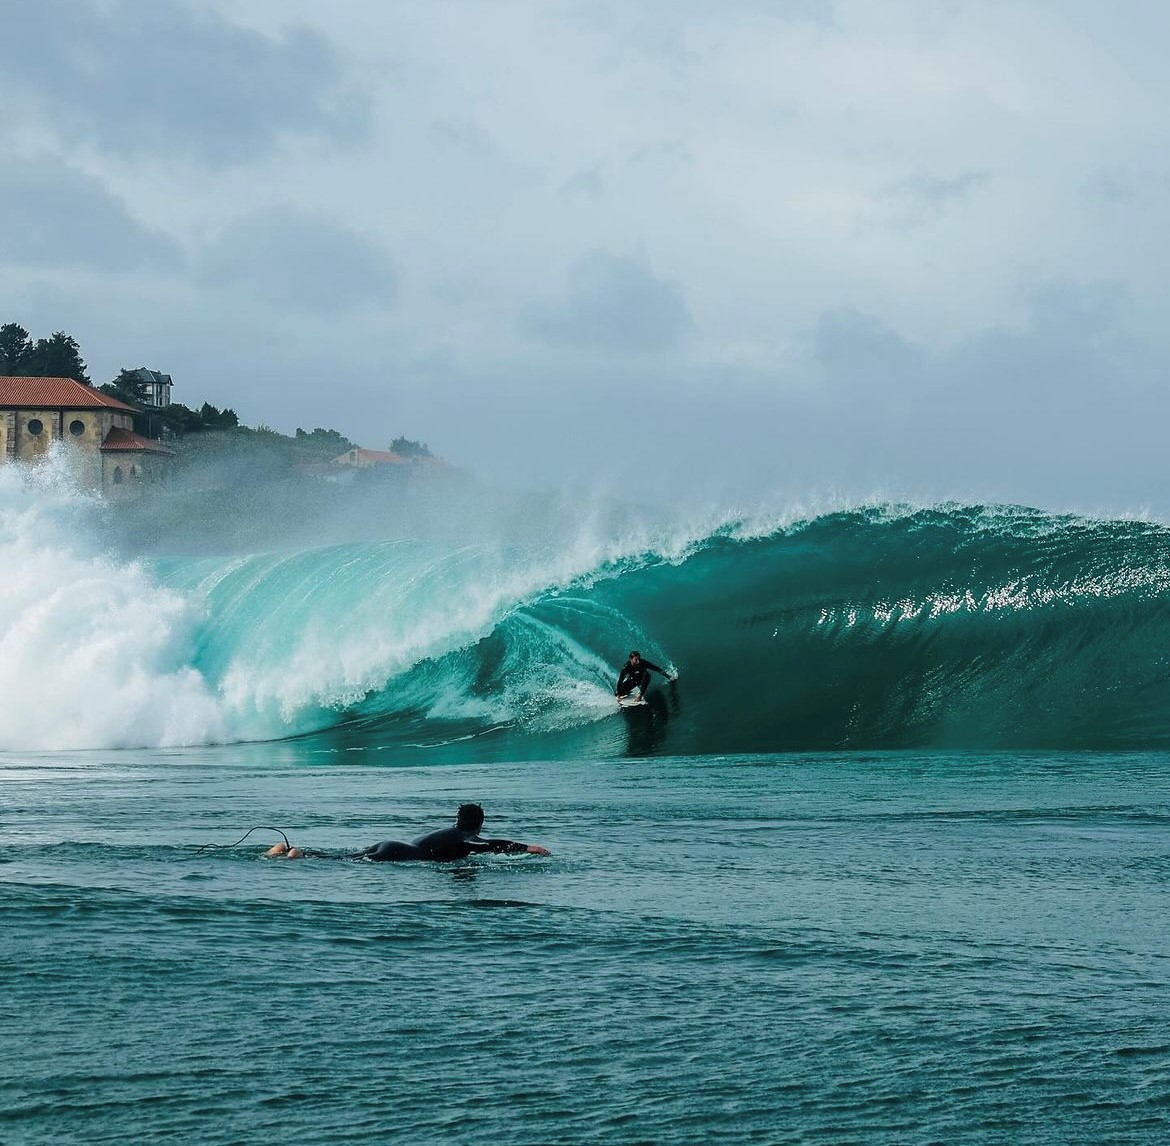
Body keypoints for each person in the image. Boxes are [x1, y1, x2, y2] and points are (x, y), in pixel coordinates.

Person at [264, 803, 550, 862]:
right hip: (400, 852)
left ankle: (285, 850)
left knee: (341, 857)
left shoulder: (450, 833)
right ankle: (294, 854)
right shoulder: (467, 837)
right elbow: (491, 845)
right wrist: (528, 847)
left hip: (391, 843)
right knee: (344, 861)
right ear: (480, 823)